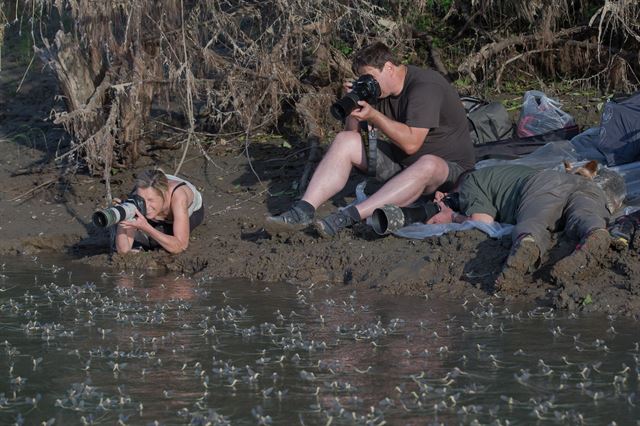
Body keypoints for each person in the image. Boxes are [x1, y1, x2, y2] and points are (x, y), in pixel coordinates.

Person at [265, 41, 475, 237]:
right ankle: (304, 209)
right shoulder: (380, 91)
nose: (369, 84)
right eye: (363, 79)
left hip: (450, 174)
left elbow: (412, 144)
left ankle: (349, 216)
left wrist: (374, 115)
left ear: (389, 68)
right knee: (344, 140)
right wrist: (353, 105)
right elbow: (354, 136)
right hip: (403, 164)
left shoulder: (425, 86)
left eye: (370, 78)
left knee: (428, 164)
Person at [425, 164, 612, 287]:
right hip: (587, 186)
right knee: (585, 215)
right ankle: (595, 232)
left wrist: (453, 216)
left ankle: (527, 244)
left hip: (545, 184)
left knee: (534, 220)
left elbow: (482, 223)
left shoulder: (470, 182)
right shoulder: (502, 174)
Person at [115, 169, 204, 254]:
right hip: (157, 210)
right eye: (142, 199)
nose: (145, 206)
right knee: (138, 240)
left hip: (191, 211)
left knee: (158, 243)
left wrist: (147, 228)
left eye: (151, 200)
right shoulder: (136, 196)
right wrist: (122, 218)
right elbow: (123, 251)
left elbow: (181, 246)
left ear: (164, 195)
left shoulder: (179, 197)